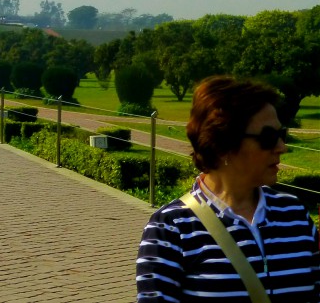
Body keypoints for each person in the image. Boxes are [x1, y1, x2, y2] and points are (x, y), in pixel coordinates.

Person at [136, 76, 320, 302]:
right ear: (223, 144)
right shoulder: (171, 229)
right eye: (269, 137)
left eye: (281, 134)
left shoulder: (295, 215)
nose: (281, 147)